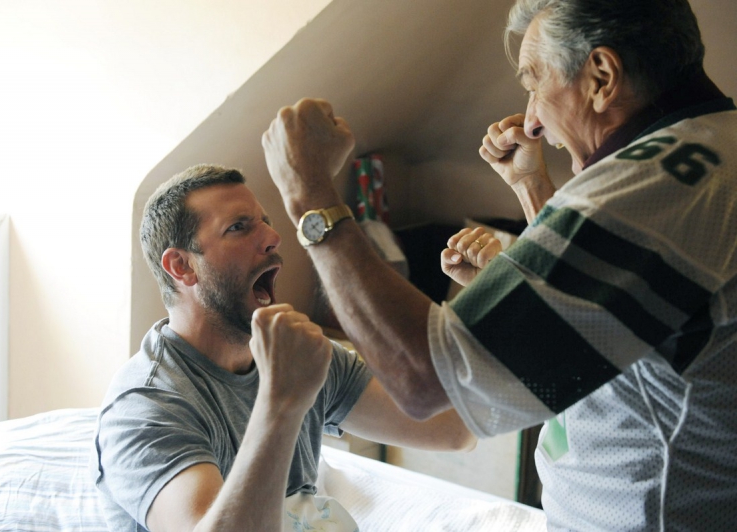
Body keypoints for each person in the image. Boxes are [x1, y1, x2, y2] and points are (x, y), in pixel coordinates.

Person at [261, 0, 737, 529]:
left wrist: (310, 197)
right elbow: (605, 307)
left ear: (602, 77)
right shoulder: (713, 145)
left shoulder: (643, 192)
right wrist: (534, 191)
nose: (532, 120)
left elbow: (427, 382)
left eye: (535, 84)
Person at [91, 164, 479, 532]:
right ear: (182, 266)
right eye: (238, 227)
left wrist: (485, 296)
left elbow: (456, 430)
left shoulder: (304, 356)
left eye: (266, 222)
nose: (273, 238)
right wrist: (283, 399)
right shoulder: (146, 406)